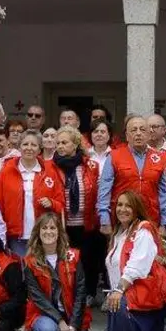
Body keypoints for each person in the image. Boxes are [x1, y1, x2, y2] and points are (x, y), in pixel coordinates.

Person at [103, 191, 166, 331]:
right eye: (119, 204)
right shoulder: (118, 234)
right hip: (128, 294)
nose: (122, 209)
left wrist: (119, 290)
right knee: (117, 304)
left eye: (128, 205)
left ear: (137, 208)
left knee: (118, 304)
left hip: (143, 298)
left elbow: (138, 265)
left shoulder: (144, 229)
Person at [24, 214, 91, 331]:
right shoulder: (30, 262)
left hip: (73, 316)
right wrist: (60, 322)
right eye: (44, 228)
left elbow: (81, 293)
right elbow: (38, 297)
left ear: (60, 232)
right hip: (47, 316)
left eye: (53, 228)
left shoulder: (73, 256)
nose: (48, 232)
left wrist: (73, 325)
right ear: (38, 232)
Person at [51, 126, 102, 305]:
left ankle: (89, 293)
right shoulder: (51, 166)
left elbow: (98, 193)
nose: (60, 146)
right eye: (58, 143)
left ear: (75, 145)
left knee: (88, 261)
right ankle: (67, 295)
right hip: (63, 224)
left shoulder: (91, 165)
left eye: (64, 142)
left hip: (86, 223)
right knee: (65, 261)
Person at [97, 115, 166, 237]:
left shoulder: (160, 158)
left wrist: (164, 223)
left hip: (150, 219)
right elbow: (104, 191)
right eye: (133, 130)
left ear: (148, 134)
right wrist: (104, 220)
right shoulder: (114, 156)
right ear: (127, 136)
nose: (138, 133)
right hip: (121, 220)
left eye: (142, 130)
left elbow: (164, 193)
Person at [0, 131, 65, 257]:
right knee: (21, 272)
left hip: (44, 236)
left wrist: (52, 203)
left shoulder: (50, 171)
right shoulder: (6, 171)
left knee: (43, 273)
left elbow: (61, 205)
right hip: (16, 237)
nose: (29, 148)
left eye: (33, 145)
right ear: (19, 147)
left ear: (39, 149)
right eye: (25, 144)